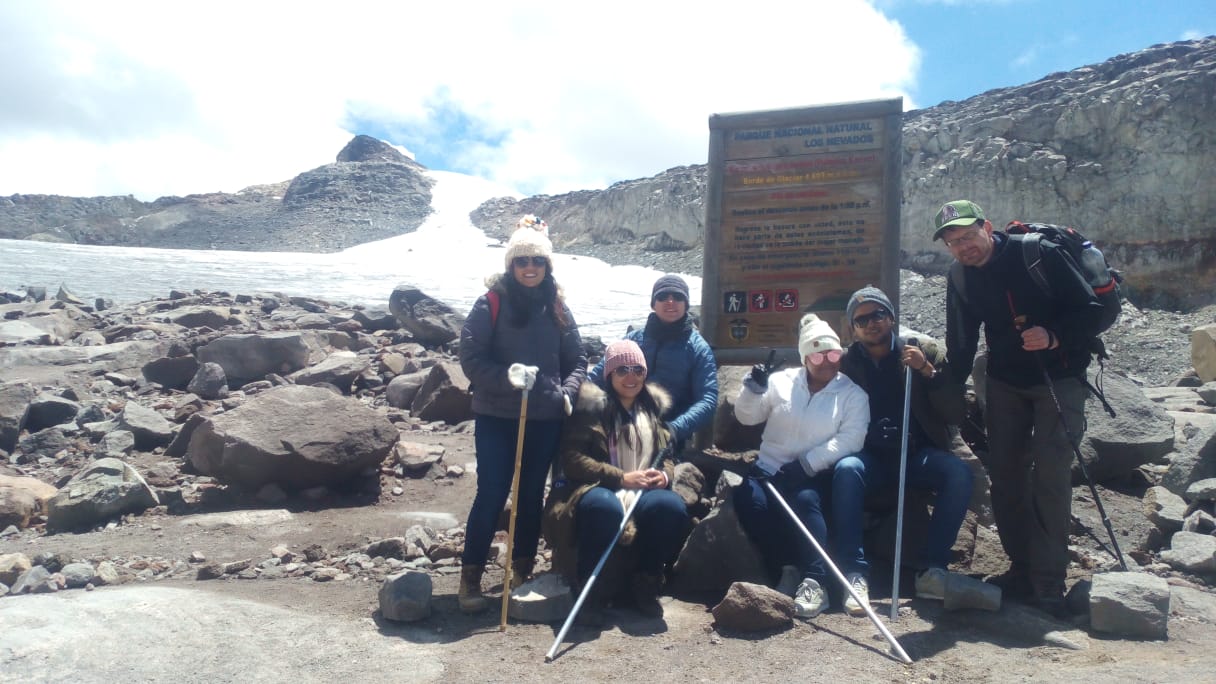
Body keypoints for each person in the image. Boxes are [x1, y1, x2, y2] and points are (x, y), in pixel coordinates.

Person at [934, 199, 1104, 615]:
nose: (963, 247)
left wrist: (1053, 335)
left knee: (1050, 476)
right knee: (1006, 475)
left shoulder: (1036, 254)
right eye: (953, 242)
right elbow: (960, 344)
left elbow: (1093, 312)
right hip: (1004, 382)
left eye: (968, 235)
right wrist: (939, 385)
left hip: (1058, 378)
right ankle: (1020, 567)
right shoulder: (960, 277)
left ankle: (1047, 582)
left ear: (987, 227)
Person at [457, 216, 587, 614]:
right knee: (492, 493)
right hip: (497, 415)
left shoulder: (558, 306)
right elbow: (470, 358)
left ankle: (521, 571)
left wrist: (566, 393)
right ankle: (471, 577)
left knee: (531, 495)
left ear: (548, 266)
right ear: (510, 265)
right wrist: (507, 377)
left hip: (545, 416)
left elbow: (577, 359)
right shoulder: (490, 303)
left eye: (538, 260)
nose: (530, 267)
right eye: (522, 260)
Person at [837, 285, 974, 606]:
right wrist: (868, 437)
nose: (872, 323)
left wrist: (927, 371)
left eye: (879, 315)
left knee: (958, 475)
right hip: (870, 457)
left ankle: (932, 569)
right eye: (862, 320)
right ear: (853, 329)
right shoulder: (846, 363)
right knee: (846, 470)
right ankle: (854, 573)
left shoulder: (922, 351)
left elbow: (956, 412)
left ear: (892, 317)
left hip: (917, 456)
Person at [733, 313, 869, 618]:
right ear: (805, 357)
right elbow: (747, 417)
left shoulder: (851, 394)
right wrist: (752, 390)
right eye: (819, 354)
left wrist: (807, 464)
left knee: (806, 502)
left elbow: (851, 438)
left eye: (834, 353)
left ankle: (816, 580)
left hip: (813, 472)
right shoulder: (781, 382)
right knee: (751, 502)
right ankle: (787, 568)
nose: (828, 361)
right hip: (769, 468)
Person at [544, 339, 688, 622]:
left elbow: (666, 455)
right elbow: (573, 460)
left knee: (670, 508)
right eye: (622, 370)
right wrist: (621, 477)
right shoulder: (590, 410)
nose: (631, 376)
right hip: (594, 487)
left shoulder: (652, 410)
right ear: (609, 374)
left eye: (637, 369)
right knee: (604, 509)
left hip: (642, 489)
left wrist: (664, 474)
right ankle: (590, 584)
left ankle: (646, 580)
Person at [588, 274, 718, 454]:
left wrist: (674, 429)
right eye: (662, 296)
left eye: (678, 297)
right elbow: (597, 378)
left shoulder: (698, 348)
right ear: (653, 303)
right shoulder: (632, 340)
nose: (670, 302)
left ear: (686, 304)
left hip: (668, 430)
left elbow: (708, 399)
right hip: (620, 424)